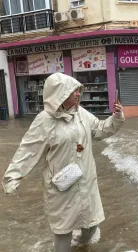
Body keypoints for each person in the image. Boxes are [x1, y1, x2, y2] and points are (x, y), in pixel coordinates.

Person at [2, 73, 125, 252]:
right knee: (63, 230)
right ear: (60, 93)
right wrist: (13, 177)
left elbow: (99, 130)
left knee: (91, 223)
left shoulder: (80, 113)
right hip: (62, 185)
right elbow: (28, 150)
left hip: (86, 179)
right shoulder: (44, 120)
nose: (78, 94)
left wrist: (116, 116)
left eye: (78, 90)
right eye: (73, 90)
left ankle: (82, 246)